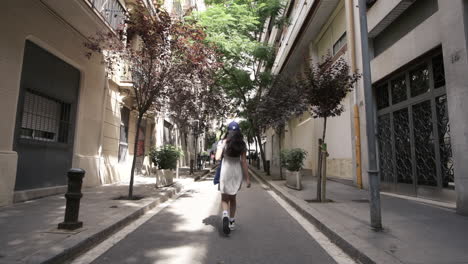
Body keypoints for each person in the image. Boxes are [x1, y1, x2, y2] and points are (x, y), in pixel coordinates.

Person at [215, 121, 251, 235]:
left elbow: (217, 158)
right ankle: (231, 221)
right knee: (233, 198)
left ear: (228, 131)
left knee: (224, 198)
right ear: (239, 132)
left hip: (225, 172)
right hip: (236, 173)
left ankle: (225, 214)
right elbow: (244, 162)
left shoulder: (223, 142)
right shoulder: (242, 144)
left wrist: (221, 146)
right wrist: (248, 178)